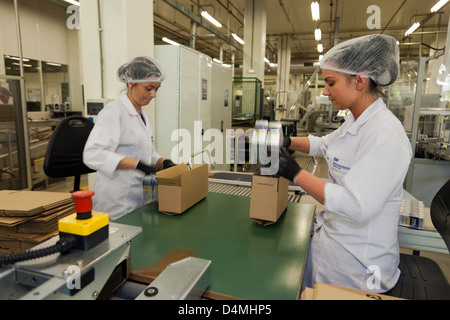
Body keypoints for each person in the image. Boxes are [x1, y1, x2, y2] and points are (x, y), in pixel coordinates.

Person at [276, 34, 413, 293]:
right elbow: (324, 144)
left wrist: (294, 173)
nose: (325, 92)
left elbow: (355, 204)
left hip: (360, 265)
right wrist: (286, 140)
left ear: (359, 80)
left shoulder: (386, 134)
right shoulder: (355, 120)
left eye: (330, 82)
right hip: (334, 239)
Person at [83, 56, 175, 220]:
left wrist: (163, 162)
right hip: (117, 203)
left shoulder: (143, 115)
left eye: (157, 89)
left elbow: (147, 152)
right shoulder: (114, 112)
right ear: (131, 83)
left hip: (139, 198)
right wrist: (136, 164)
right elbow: (92, 154)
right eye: (148, 88)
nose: (153, 94)